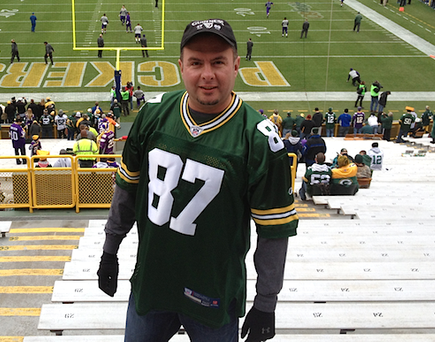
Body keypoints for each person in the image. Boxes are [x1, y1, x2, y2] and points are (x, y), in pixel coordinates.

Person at [96, 18, 297, 342]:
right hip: (152, 282)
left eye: (218, 62)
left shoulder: (258, 139)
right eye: (196, 62)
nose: (207, 74)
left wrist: (266, 302)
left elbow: (273, 231)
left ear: (235, 65)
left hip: (212, 294)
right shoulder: (153, 115)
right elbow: (127, 190)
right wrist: (110, 249)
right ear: (181, 66)